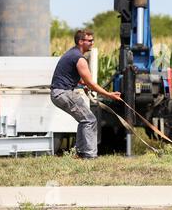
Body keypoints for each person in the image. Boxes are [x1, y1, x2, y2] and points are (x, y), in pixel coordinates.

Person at [50, 29, 122, 159]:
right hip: (62, 93)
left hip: (59, 93)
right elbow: (91, 84)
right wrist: (109, 94)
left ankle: (81, 152)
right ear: (80, 41)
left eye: (92, 40)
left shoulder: (72, 53)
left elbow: (72, 75)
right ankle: (89, 155)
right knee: (90, 120)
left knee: (85, 120)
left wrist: (82, 83)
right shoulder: (79, 58)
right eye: (89, 41)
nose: (92, 43)